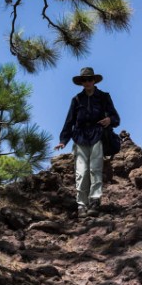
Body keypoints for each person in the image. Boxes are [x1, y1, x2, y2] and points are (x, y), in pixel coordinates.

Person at [54, 67, 120, 217]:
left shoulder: (104, 97)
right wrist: (63, 140)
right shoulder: (76, 99)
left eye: (90, 79)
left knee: (95, 170)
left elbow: (116, 118)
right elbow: (69, 121)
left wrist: (109, 120)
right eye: (84, 80)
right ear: (81, 82)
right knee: (81, 172)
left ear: (94, 80)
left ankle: (95, 202)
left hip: (98, 136)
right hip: (80, 137)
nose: (87, 82)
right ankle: (81, 205)